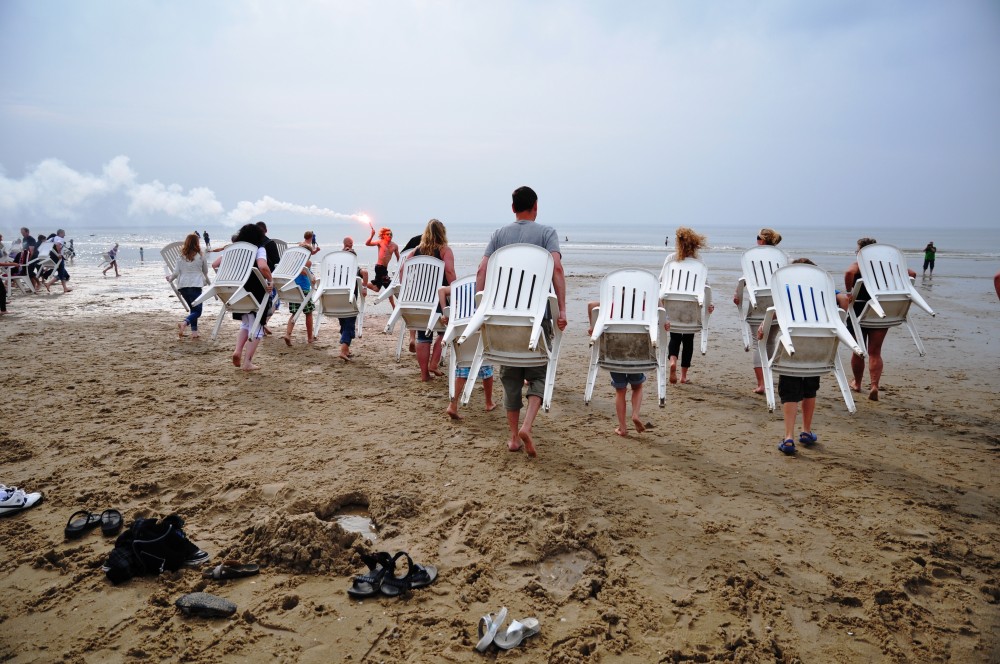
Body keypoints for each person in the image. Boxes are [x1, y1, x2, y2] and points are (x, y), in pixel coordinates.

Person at [476, 186, 567, 458]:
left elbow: (482, 270)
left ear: (513, 208)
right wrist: (562, 310)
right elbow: (557, 269)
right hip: (536, 320)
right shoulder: (546, 233)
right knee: (538, 373)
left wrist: (481, 309)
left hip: (504, 319)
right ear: (535, 206)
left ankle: (514, 438)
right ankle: (528, 425)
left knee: (511, 376)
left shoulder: (499, 236)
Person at [760, 258, 822, 456]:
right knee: (810, 388)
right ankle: (806, 431)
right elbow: (844, 302)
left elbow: (773, 312)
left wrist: (763, 326)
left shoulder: (786, 291)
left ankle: (788, 437)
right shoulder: (822, 292)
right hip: (816, 347)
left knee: (790, 390)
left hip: (791, 346)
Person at [845, 237, 916, 401]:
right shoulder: (886, 265)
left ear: (861, 251)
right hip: (880, 311)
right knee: (875, 352)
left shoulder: (860, 264)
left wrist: (849, 291)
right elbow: (912, 273)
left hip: (859, 310)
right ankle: (875, 385)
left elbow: (849, 272)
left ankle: (857, 383)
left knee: (858, 350)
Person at [212, 223, 274, 371]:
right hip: (255, 294)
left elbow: (215, 264)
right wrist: (270, 280)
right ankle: (247, 362)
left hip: (237, 294)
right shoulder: (259, 249)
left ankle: (238, 351)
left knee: (246, 324)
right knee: (257, 328)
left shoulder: (231, 250)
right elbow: (263, 266)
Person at [585, 302, 650, 437]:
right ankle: (635, 415)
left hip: (613, 352)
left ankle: (622, 428)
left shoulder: (611, 303)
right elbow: (657, 306)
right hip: (635, 351)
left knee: (620, 391)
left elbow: (591, 305)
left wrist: (592, 327)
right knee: (637, 387)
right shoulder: (640, 303)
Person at [733, 228, 782, 394]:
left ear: (762, 241)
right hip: (777, 305)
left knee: (758, 343)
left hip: (758, 305)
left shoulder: (752, 259)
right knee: (770, 341)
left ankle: (761, 384)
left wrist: (737, 294)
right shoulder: (782, 258)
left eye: (757, 238)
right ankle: (767, 377)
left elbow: (743, 280)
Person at [438, 285, 496, 419]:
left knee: (463, 367)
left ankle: (453, 405)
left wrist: (444, 313)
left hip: (461, 331)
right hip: (479, 331)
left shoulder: (462, 285)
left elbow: (441, 290)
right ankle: (488, 402)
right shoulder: (490, 287)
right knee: (487, 365)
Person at [665, 227, 713, 385]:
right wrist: (709, 304)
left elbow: (661, 282)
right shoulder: (699, 261)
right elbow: (705, 286)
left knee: (674, 336)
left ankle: (673, 361)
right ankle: (683, 376)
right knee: (688, 340)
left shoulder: (671, 259)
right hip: (692, 307)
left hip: (673, 305)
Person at [166, 233, 209, 338]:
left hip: (183, 286)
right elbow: (205, 271)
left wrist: (170, 278)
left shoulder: (180, 256)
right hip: (195, 285)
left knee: (193, 310)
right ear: (197, 243)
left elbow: (175, 273)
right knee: (198, 311)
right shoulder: (201, 255)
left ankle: (194, 333)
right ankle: (184, 323)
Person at [282, 231, 321, 346]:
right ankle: (310, 338)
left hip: (294, 290)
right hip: (304, 290)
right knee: (308, 313)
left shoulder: (295, 262)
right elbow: (306, 273)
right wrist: (313, 278)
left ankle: (288, 334)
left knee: (294, 313)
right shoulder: (307, 262)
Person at [365, 226, 400, 307]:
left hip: (384, 268)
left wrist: (400, 267)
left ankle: (363, 283)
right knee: (389, 287)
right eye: (387, 234)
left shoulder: (395, 246)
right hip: (379, 268)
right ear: (383, 235)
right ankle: (394, 306)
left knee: (376, 289)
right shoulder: (380, 242)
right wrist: (372, 235)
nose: (390, 235)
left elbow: (398, 258)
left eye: (391, 234)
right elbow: (367, 244)